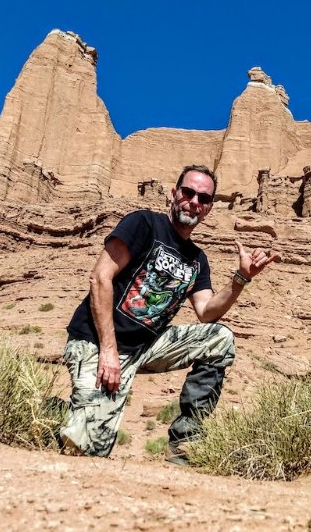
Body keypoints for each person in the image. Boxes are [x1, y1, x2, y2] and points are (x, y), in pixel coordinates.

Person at [60, 164, 280, 463]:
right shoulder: (143, 224)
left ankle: (186, 445)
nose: (194, 201)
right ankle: (50, 416)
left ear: (208, 209)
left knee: (219, 338)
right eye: (188, 192)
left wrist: (241, 279)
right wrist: (108, 351)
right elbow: (100, 278)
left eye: (203, 198)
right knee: (86, 451)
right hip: (97, 343)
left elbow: (205, 312)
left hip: (145, 347)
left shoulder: (197, 259)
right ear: (173, 194)